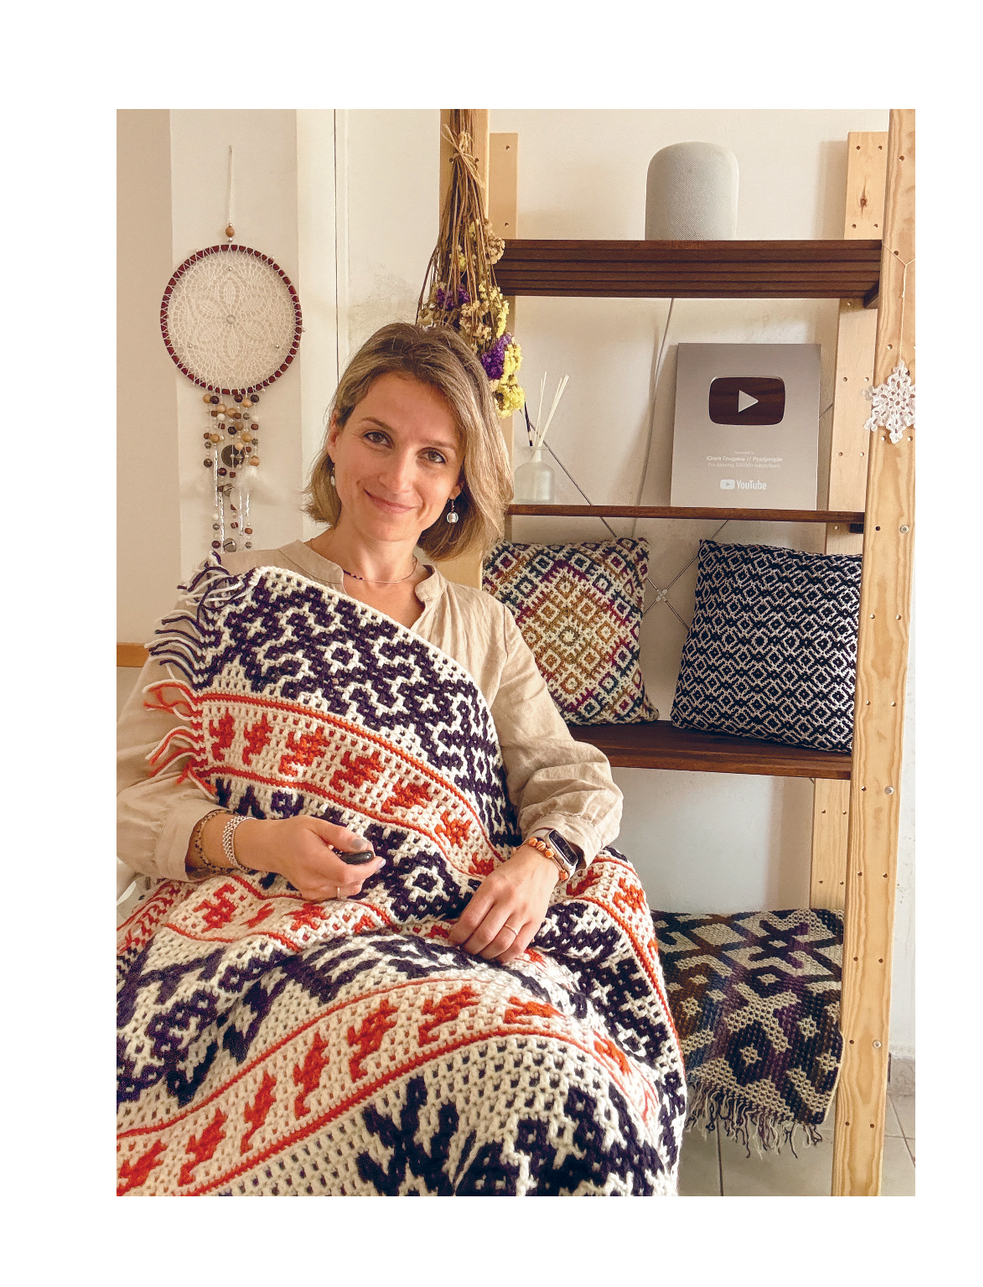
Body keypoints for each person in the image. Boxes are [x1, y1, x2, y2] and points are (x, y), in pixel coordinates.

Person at [117, 321, 623, 965]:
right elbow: (131, 794)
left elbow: (573, 780)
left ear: (458, 482)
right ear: (335, 435)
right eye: (377, 437)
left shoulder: (485, 626)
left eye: (434, 456)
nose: (398, 476)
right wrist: (262, 843)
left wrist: (538, 865)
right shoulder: (228, 596)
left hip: (451, 933)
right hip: (260, 929)